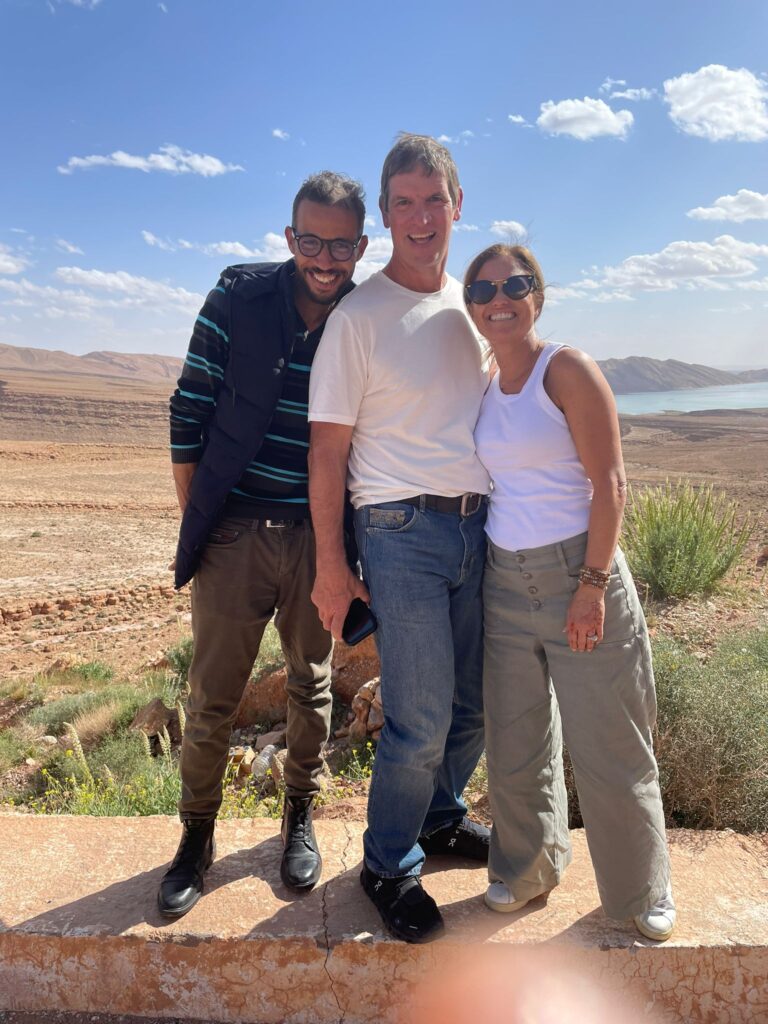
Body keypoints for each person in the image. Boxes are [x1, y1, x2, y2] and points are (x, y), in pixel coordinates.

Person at [158, 172, 368, 917]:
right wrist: (204, 523)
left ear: (360, 247)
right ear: (289, 239)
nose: (324, 257)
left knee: (311, 684)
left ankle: (299, 815)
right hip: (236, 531)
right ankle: (196, 836)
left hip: (321, 538)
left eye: (340, 244)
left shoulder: (365, 316)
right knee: (212, 695)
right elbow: (189, 409)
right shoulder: (236, 298)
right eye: (310, 240)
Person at [308, 134, 491, 944]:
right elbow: (328, 450)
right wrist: (331, 565)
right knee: (418, 715)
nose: (421, 217)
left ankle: (442, 818)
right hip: (398, 531)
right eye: (404, 202)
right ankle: (387, 863)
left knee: (473, 705)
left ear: (458, 203)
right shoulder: (359, 318)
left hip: (479, 527)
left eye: (433, 199)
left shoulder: (473, 305)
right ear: (385, 216)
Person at [465, 242, 676, 941]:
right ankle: (526, 870)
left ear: (538, 295)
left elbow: (611, 484)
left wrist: (590, 585)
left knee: (610, 742)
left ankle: (640, 891)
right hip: (505, 579)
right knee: (518, 740)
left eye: (515, 283)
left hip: (578, 576)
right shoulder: (488, 383)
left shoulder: (568, 368)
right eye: (484, 286)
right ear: (471, 304)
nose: (500, 295)